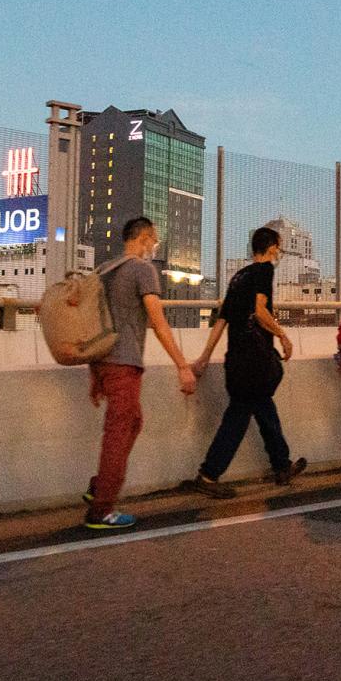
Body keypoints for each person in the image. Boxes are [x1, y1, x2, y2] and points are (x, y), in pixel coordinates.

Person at [84, 217, 198, 530]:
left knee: (132, 422)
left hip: (103, 361)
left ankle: (100, 487)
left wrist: (95, 374)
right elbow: (158, 322)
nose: (154, 247)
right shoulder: (142, 270)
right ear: (145, 238)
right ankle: (101, 510)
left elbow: (94, 323)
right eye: (154, 241)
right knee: (119, 433)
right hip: (124, 363)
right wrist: (182, 365)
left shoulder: (104, 270)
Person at [188, 227, 307, 498]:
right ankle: (208, 475)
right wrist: (283, 335)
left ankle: (281, 465)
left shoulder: (238, 277)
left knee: (263, 409)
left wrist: (205, 357)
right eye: (279, 247)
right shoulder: (264, 271)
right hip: (254, 361)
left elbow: (222, 320)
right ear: (272, 247)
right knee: (240, 416)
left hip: (236, 360)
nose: (279, 252)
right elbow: (260, 311)